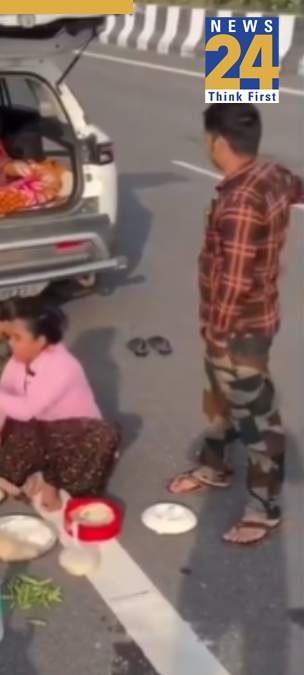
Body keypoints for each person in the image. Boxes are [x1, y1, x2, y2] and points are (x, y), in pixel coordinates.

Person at [166, 103, 302, 546]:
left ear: (218, 143)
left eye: (208, 140)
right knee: (219, 400)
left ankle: (263, 508)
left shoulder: (241, 201)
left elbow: (236, 279)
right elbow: (298, 190)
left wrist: (218, 335)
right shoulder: (271, 174)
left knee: (257, 420)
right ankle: (214, 465)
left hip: (238, 329)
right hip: (246, 320)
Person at [0, 301, 120, 512]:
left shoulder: (62, 365)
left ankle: (52, 481)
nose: (11, 344)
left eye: (18, 338)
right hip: (40, 432)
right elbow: (5, 394)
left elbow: (26, 410)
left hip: (74, 435)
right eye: (11, 337)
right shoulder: (18, 360)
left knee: (103, 436)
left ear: (41, 340)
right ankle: (36, 474)